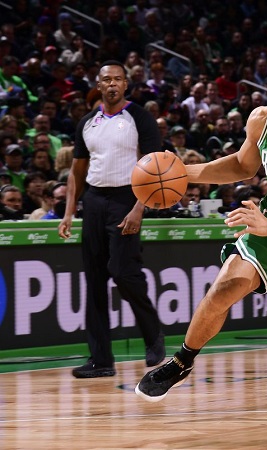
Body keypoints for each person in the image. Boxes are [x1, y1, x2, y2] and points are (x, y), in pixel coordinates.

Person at [135, 57, 267, 408]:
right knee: (225, 287)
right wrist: (184, 173)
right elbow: (243, 165)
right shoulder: (262, 120)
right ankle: (181, 361)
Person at [58, 60, 165, 379]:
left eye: (119, 79)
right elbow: (77, 171)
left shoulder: (140, 118)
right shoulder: (87, 122)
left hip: (126, 199)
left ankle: (153, 336)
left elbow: (154, 167)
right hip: (93, 200)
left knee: (124, 272)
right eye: (108, 80)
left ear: (125, 85)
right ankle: (101, 359)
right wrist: (68, 211)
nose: (113, 84)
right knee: (94, 280)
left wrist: (138, 208)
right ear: (99, 84)